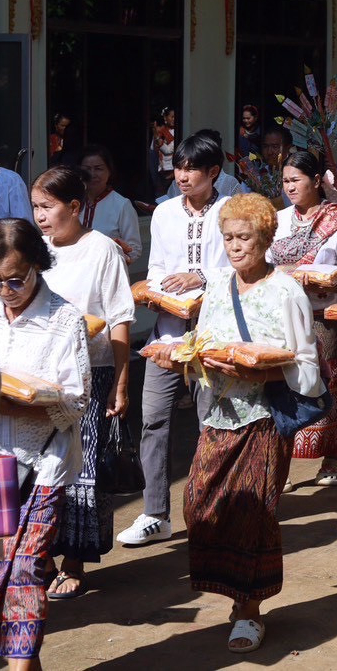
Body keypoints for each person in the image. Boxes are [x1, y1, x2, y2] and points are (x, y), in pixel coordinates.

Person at [156, 194, 323, 654]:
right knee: (197, 505)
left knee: (252, 515)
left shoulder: (286, 291)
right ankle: (234, 595)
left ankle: (248, 611)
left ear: (265, 239)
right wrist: (185, 359)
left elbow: (309, 370)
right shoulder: (218, 288)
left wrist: (262, 371)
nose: (234, 247)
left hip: (264, 419)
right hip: (217, 416)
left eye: (244, 238)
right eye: (228, 238)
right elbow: (203, 343)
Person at [0, 221, 88, 670]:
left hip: (44, 465)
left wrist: (34, 401)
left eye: (16, 280)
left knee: (25, 570)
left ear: (38, 265)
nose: (6, 290)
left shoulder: (65, 318)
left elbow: (77, 403)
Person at [122, 133, 232, 547]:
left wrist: (201, 278)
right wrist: (153, 293)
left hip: (214, 331)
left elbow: (247, 265)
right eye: (179, 167)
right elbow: (157, 268)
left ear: (213, 173)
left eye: (191, 169)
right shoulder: (165, 212)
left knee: (211, 421)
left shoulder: (230, 211)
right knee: (153, 418)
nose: (182, 176)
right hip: (167, 331)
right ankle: (155, 514)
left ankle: (211, 508)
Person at [31, 167, 134, 600]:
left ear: (74, 207)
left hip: (91, 376)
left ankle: (74, 562)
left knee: (83, 469)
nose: (39, 216)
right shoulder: (34, 249)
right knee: (40, 469)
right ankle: (43, 559)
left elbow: (120, 318)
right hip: (39, 378)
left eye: (47, 207)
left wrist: (122, 382)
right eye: (35, 207)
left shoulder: (101, 250)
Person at [267, 149, 337, 488]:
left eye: (296, 180)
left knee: (331, 382)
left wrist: (330, 277)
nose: (290, 187)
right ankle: (284, 465)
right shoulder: (277, 221)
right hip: (286, 316)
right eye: (285, 181)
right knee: (287, 384)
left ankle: (331, 458)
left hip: (325, 314)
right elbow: (265, 261)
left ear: (317, 180)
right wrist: (288, 273)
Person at [77, 144, 141, 265]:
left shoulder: (121, 205)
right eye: (86, 169)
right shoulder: (73, 203)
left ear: (109, 171)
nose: (92, 174)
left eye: (98, 168)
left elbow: (134, 249)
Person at [148, 107, 177, 200]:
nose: (174, 119)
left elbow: (167, 151)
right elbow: (153, 152)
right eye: (171, 117)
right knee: (161, 196)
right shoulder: (160, 132)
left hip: (173, 170)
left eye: (175, 117)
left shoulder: (178, 132)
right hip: (162, 171)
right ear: (165, 118)